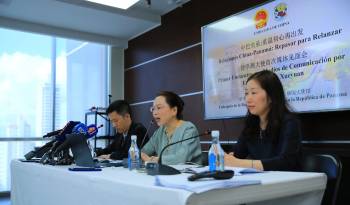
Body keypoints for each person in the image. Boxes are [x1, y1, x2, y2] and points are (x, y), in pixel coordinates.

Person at [224, 70, 302, 171]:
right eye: (246, 93)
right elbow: (237, 154)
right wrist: (228, 158)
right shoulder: (251, 125)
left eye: (254, 93)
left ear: (271, 97)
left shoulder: (289, 123)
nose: (248, 99)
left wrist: (239, 163)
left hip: (288, 182)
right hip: (261, 182)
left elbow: (285, 162)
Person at [141, 91, 202, 165]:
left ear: (174, 110)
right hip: (165, 174)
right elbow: (143, 152)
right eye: (153, 109)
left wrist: (156, 160)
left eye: (159, 108)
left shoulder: (189, 129)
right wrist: (141, 155)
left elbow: (180, 159)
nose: (154, 112)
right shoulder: (159, 132)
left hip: (188, 175)